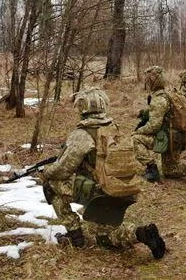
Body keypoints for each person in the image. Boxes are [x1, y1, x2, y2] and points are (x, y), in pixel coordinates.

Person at [39, 87, 166, 258]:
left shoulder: (82, 134)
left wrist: (46, 172)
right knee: (105, 237)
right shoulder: (113, 126)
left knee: (51, 185)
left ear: (82, 107)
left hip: (102, 192)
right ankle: (142, 233)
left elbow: (63, 170)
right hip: (123, 188)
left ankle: (75, 236)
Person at [134, 66, 186, 183]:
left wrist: (138, 131)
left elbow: (154, 126)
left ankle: (152, 169)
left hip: (169, 138)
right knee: (170, 171)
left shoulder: (159, 99)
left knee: (136, 139)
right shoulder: (169, 94)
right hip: (179, 137)